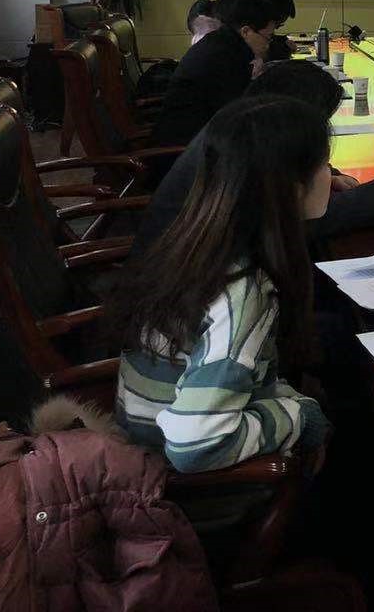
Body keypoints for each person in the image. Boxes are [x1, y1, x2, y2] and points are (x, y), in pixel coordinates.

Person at [112, 96, 332, 475]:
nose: (330, 174)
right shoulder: (244, 292)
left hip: (140, 439)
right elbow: (194, 446)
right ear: (294, 189)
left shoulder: (198, 244)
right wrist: (300, 417)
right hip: (180, 484)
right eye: (326, 164)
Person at [131, 60, 374, 259]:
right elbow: (290, 224)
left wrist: (326, 178)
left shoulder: (239, 125)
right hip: (186, 291)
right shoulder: (244, 147)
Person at [150, 0, 276, 160]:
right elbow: (235, 115)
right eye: (268, 37)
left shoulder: (223, 43)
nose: (268, 44)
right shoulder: (223, 55)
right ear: (246, 31)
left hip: (198, 142)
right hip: (186, 155)